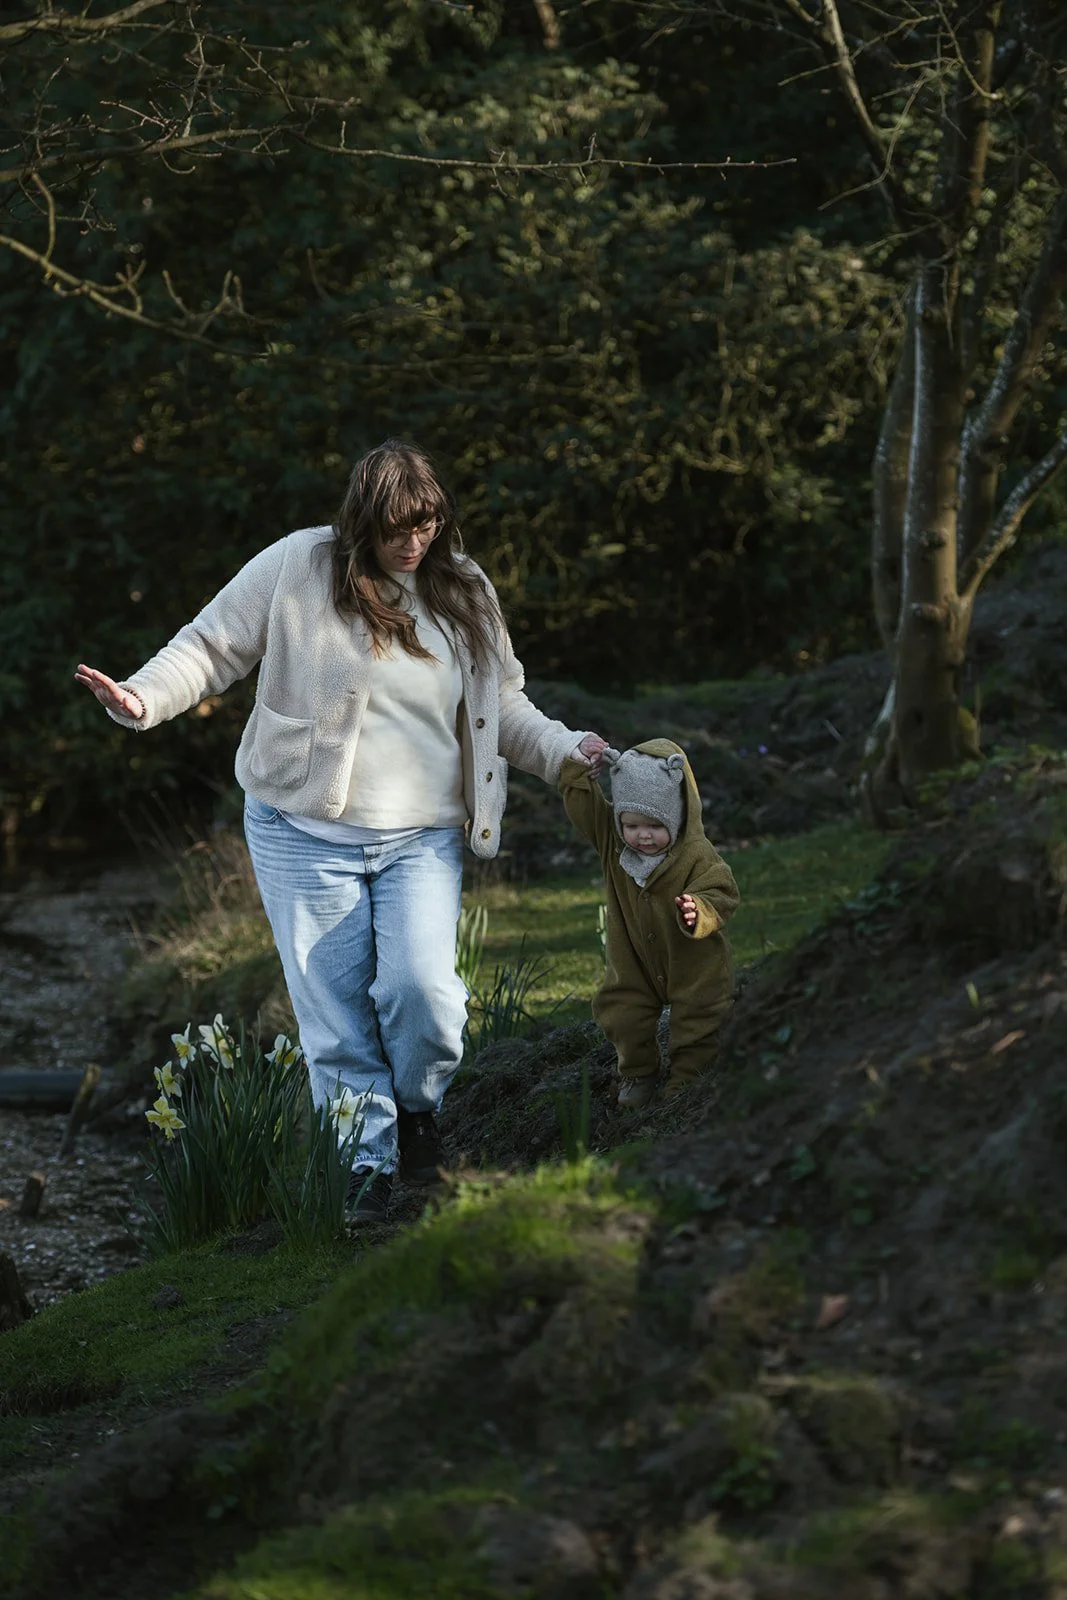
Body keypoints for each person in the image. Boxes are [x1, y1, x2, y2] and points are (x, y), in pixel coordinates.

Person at [75, 439, 606, 1222]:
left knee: (424, 994)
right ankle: (363, 1164)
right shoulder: (300, 564)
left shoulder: (464, 589)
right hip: (299, 830)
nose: (413, 544)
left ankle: (417, 1111)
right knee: (337, 1020)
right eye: (396, 530)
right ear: (362, 522)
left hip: (419, 836)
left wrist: (567, 750)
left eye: (426, 525)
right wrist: (143, 698)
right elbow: (212, 644)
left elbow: (504, 707)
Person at [558, 738, 739, 1107]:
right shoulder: (614, 844)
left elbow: (723, 891)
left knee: (699, 1014)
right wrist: (579, 773)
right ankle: (638, 1073)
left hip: (691, 960)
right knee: (623, 1011)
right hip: (633, 959)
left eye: (655, 825)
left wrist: (700, 910)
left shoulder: (696, 853)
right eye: (632, 824)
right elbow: (585, 809)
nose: (642, 835)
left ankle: (688, 1079)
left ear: (676, 815)